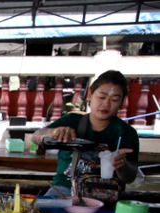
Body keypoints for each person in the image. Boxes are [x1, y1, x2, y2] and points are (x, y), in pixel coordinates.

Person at [32, 70, 139, 198]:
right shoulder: (71, 121)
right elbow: (35, 137)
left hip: (104, 192)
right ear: (89, 95)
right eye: (101, 97)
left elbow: (130, 177)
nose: (106, 104)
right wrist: (54, 132)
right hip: (64, 188)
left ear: (121, 103)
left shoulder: (126, 133)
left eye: (115, 99)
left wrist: (122, 165)